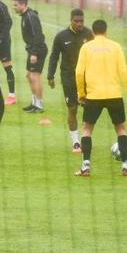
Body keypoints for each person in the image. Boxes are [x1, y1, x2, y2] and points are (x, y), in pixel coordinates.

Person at [74, 20, 127, 177]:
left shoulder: (86, 47)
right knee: (121, 129)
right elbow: (123, 70)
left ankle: (85, 167)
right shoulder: (115, 47)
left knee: (87, 129)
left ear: (93, 32)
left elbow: (79, 72)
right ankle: (125, 166)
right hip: (114, 94)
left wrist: (81, 93)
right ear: (106, 31)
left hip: (94, 95)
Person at [46, 9, 94, 153]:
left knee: (89, 109)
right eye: (76, 21)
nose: (79, 24)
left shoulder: (88, 34)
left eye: (81, 21)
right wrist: (50, 75)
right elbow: (54, 56)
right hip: (68, 77)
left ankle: (87, 139)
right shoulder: (61, 36)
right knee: (72, 108)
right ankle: (75, 142)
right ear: (71, 20)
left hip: (86, 78)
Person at [12, 0, 48, 113]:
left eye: (16, 5)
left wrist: (34, 53)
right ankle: (34, 102)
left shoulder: (30, 17)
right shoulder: (25, 15)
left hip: (37, 50)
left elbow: (38, 36)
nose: (14, 7)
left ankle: (39, 105)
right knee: (29, 76)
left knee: (34, 76)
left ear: (23, 4)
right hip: (32, 49)